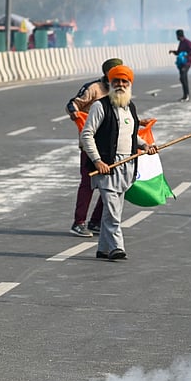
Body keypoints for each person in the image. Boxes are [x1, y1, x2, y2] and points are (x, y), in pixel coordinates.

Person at [80, 65, 159, 261]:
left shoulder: (130, 107)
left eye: (125, 82)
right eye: (117, 81)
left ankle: (103, 249)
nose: (121, 85)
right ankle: (117, 247)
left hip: (127, 166)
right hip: (107, 167)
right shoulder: (100, 106)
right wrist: (97, 161)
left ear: (130, 84)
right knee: (114, 211)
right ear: (110, 83)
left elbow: (131, 136)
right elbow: (87, 135)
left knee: (111, 210)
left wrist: (145, 146)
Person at [65, 57, 124, 237]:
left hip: (111, 147)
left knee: (111, 185)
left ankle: (96, 221)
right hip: (91, 146)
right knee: (88, 184)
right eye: (116, 75)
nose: (120, 80)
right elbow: (73, 104)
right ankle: (79, 223)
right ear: (108, 74)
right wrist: (75, 113)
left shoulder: (120, 90)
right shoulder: (94, 88)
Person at [169, 29, 191, 102]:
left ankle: (186, 95)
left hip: (187, 63)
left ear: (179, 36)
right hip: (181, 63)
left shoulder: (187, 42)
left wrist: (187, 56)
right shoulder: (181, 43)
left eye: (177, 36)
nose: (176, 38)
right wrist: (173, 52)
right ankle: (185, 95)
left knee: (183, 78)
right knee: (182, 79)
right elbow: (179, 52)